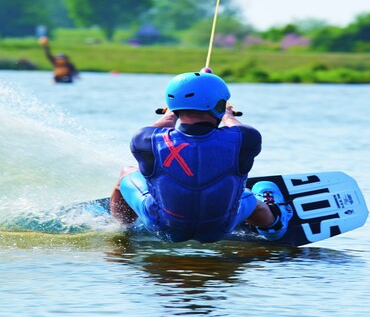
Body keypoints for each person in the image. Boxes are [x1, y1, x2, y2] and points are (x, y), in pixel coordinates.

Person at [110, 71, 292, 243]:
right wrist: (227, 114)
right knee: (251, 199)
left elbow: (158, 127)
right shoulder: (246, 139)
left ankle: (121, 228)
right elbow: (237, 127)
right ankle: (275, 226)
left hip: (163, 228)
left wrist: (173, 111)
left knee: (127, 172)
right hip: (219, 229)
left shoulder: (145, 140)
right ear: (219, 106)